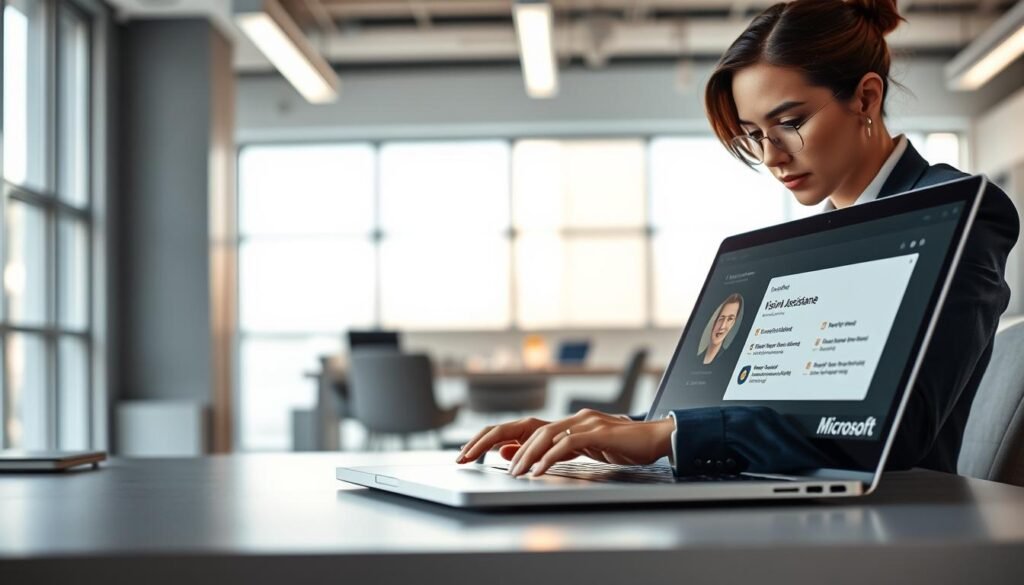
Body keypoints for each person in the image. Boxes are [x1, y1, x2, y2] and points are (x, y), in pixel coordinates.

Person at [456, 0, 1019, 479]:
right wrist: (620, 434)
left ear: (866, 99)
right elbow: (758, 420)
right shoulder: (813, 241)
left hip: (895, 524)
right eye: (754, 136)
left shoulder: (954, 209)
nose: (772, 157)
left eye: (790, 123)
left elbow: (886, 435)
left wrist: (672, 435)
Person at [699, 294, 743, 365]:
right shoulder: (691, 360)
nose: (722, 326)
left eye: (730, 319)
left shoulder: (728, 363)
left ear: (734, 324)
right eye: (721, 319)